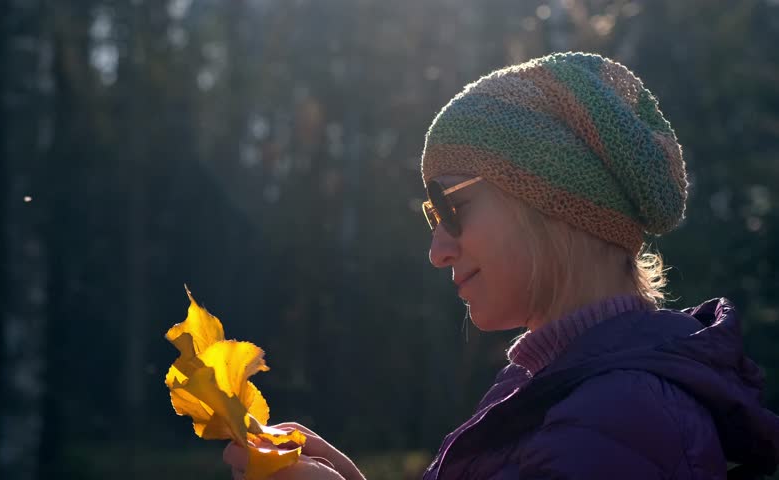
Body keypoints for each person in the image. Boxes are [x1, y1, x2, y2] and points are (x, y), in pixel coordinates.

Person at [223, 52, 779, 479]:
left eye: (452, 207)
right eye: (430, 215)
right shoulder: (541, 388)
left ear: (550, 200)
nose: (437, 249)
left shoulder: (621, 417)